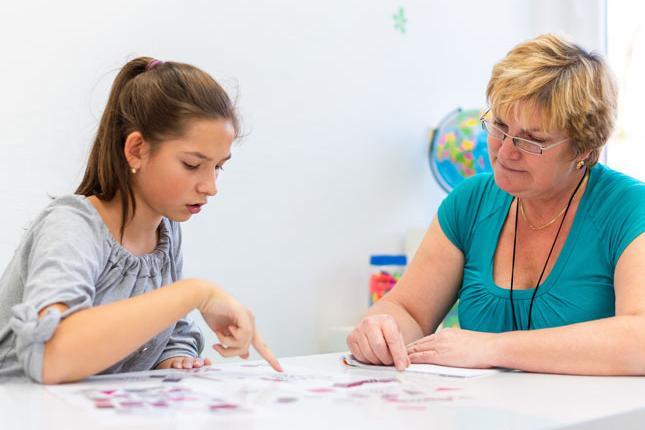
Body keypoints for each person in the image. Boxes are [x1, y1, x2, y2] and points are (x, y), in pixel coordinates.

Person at [347, 34, 645, 375]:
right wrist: (382, 330)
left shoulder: (631, 208)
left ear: (585, 149)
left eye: (533, 140)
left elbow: (640, 340)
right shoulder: (470, 201)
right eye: (500, 126)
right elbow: (410, 311)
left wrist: (491, 347)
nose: (505, 152)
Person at [0, 57, 282, 384]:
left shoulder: (165, 231)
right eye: (192, 165)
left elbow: (164, 328)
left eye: (218, 167)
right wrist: (196, 292)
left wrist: (173, 358)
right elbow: (50, 357)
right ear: (136, 150)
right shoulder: (71, 225)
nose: (211, 187)